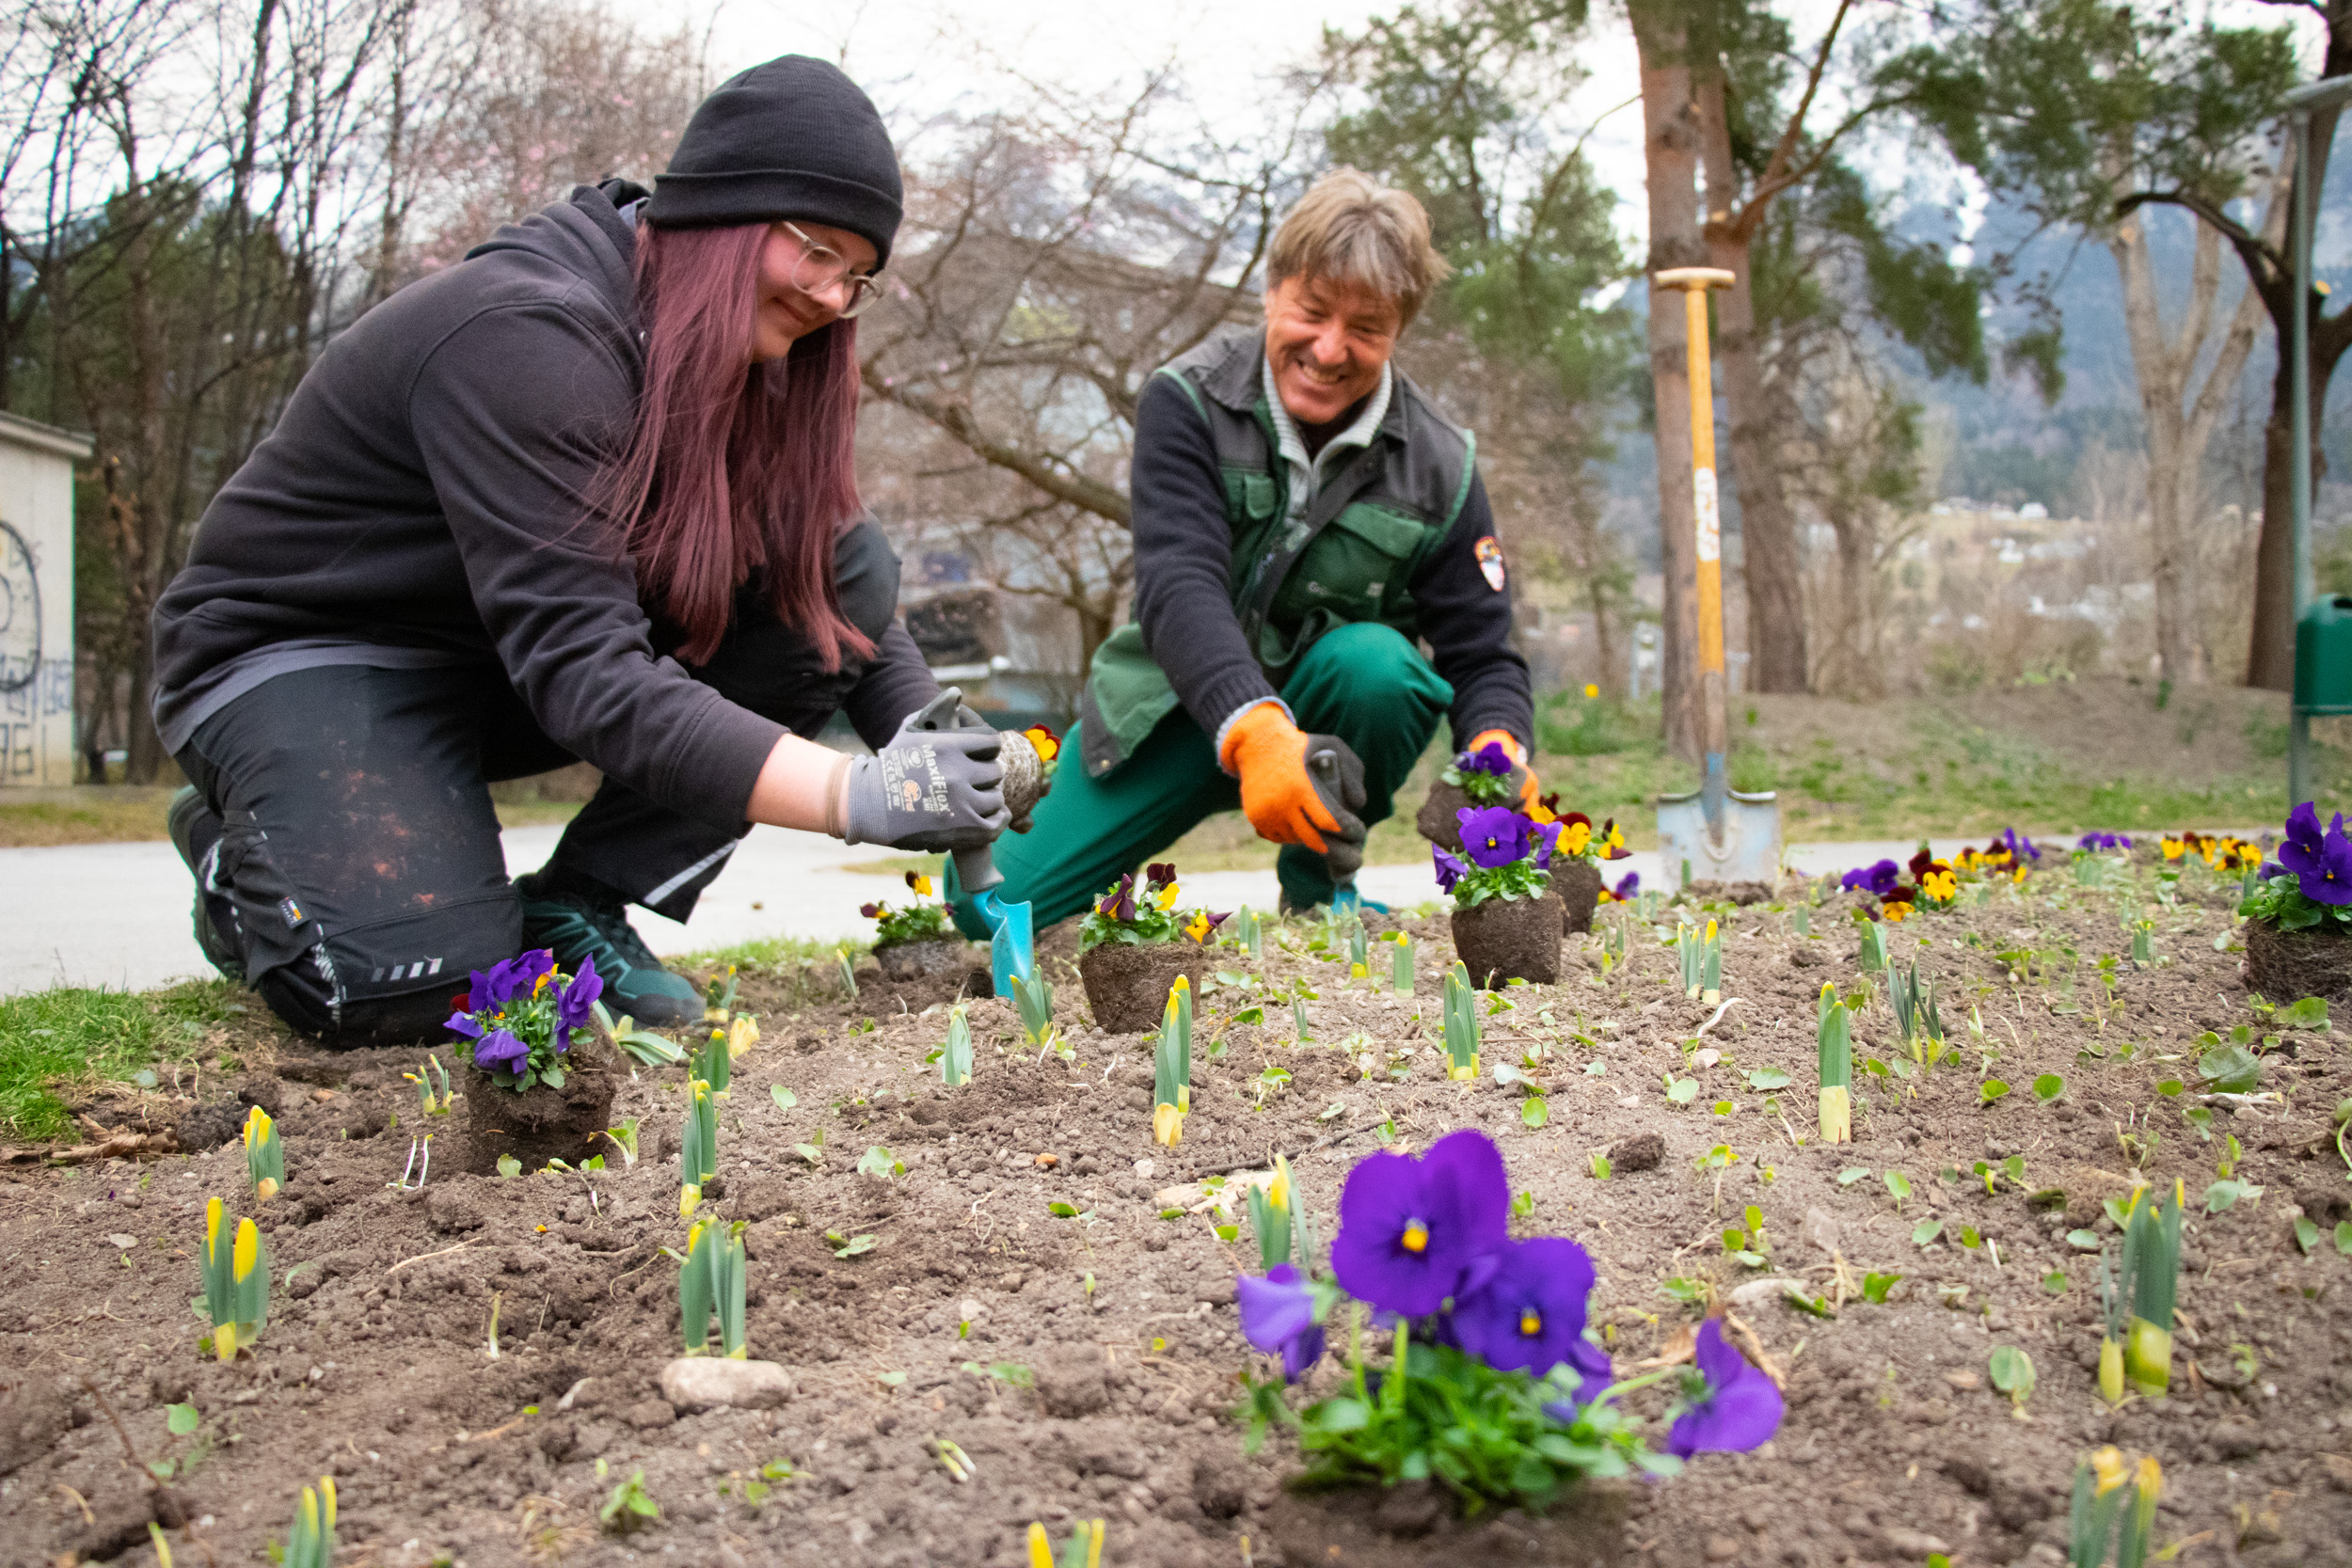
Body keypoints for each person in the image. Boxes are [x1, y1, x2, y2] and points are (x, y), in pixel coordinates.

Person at [153, 56, 1009, 1040]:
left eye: (857, 274)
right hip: (306, 653)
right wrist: (854, 792)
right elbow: (586, 669)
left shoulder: (733, 357)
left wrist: (942, 749)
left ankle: (578, 900)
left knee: (850, 561)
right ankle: (242, 849)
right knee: (421, 987)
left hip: (497, 662)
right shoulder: (528, 336)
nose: (829, 294)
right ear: (725, 216)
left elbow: (831, 589)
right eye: (816, 248)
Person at [949, 168, 1537, 932]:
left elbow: (1483, 651)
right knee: (987, 905)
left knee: (1382, 668)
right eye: (1313, 311)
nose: (1330, 349)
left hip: (1330, 718)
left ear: (1400, 329)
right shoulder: (1188, 399)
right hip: (1177, 706)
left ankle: (1321, 893)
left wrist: (1498, 745)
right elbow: (1177, 584)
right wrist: (1255, 729)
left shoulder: (1440, 462)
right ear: (1272, 291)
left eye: (1365, 328)